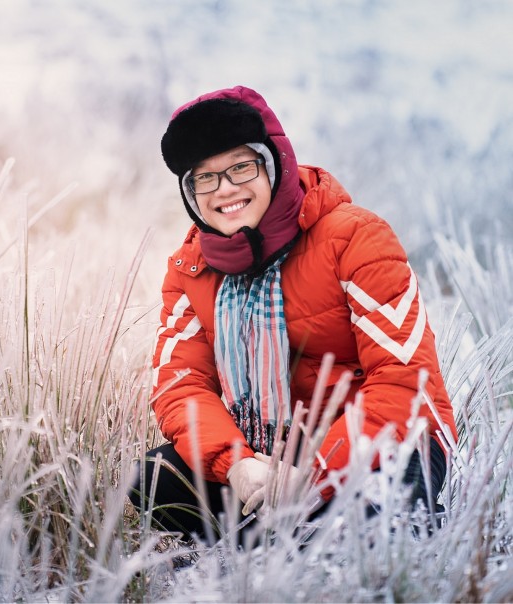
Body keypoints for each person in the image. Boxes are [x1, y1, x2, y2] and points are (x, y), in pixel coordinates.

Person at [129, 86, 457, 543]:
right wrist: (238, 464)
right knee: (155, 479)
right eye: (204, 177)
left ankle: (314, 530)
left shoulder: (357, 238)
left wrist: (315, 472)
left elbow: (404, 385)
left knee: (392, 495)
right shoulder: (190, 268)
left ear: (275, 164)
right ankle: (293, 530)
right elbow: (179, 385)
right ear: (190, 192)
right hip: (269, 454)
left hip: (377, 446)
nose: (225, 189)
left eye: (241, 166)